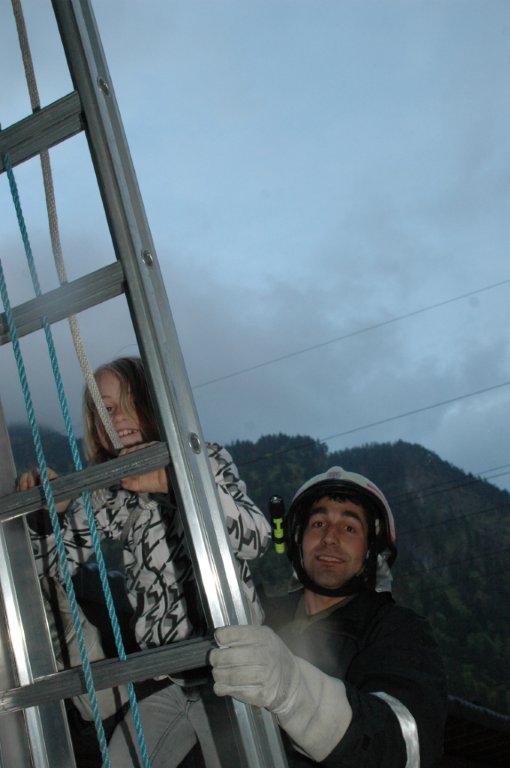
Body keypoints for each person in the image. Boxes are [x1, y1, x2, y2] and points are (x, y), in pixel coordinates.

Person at [21, 356, 271, 766]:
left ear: (153, 403)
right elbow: (52, 565)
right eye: (104, 409)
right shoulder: (111, 492)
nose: (116, 417)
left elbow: (256, 536)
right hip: (168, 677)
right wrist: (49, 514)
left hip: (231, 666)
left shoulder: (201, 459)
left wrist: (177, 483)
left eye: (128, 402)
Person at [210, 466, 447, 768]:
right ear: (297, 539)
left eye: (349, 528)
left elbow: (407, 746)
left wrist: (295, 693)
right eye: (318, 523)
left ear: (372, 549)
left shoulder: (398, 631)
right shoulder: (255, 612)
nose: (330, 538)